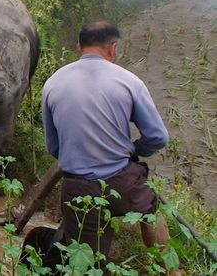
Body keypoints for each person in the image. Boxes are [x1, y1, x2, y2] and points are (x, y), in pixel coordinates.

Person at [41, 21, 181, 274]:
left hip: (78, 186)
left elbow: (53, 146)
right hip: (123, 180)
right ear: (112, 48)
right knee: (150, 210)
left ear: (78, 47)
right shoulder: (129, 81)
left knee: (86, 259)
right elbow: (158, 137)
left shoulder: (52, 84)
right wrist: (133, 149)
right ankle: (169, 271)